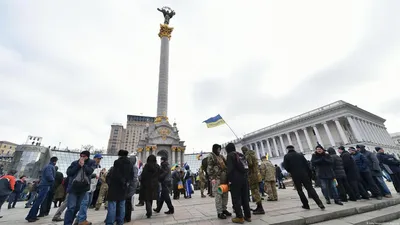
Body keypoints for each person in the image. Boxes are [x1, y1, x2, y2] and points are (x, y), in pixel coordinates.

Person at [283, 145, 324, 210]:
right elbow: (306, 164)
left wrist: (291, 171)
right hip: (304, 174)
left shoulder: (286, 156)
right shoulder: (300, 155)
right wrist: (308, 173)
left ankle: (306, 205)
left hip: (295, 175)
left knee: (300, 190)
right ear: (293, 148)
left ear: (287, 149)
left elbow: (285, 166)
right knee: (310, 188)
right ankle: (319, 203)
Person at [64, 151, 95, 225]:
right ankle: (67, 223)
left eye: (84, 156)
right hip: (73, 188)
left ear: (87, 157)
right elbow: (69, 172)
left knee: (77, 207)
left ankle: (72, 221)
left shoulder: (91, 163)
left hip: (83, 189)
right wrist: (78, 165)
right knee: (71, 207)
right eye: (81, 156)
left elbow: (90, 172)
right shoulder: (75, 163)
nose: (82, 157)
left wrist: (83, 165)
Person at [25, 157, 58, 222]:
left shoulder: (47, 166)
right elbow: (49, 176)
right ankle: (31, 216)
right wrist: (53, 180)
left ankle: (32, 215)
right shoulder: (50, 167)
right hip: (45, 185)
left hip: (44, 184)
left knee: (39, 201)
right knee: (38, 201)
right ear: (55, 161)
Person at [105, 150, 133, 225]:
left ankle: (109, 222)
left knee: (112, 206)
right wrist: (126, 182)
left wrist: (110, 182)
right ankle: (120, 222)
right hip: (124, 187)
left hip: (115, 186)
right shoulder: (130, 163)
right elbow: (132, 176)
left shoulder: (117, 162)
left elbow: (115, 174)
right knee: (122, 205)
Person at [226, 143, 251, 224]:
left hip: (236, 180)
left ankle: (239, 217)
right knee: (245, 198)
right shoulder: (240, 155)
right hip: (244, 178)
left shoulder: (230, 155)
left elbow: (229, 169)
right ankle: (248, 216)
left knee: (236, 198)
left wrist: (228, 180)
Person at [207, 144, 231, 219]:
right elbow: (209, 168)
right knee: (218, 195)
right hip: (217, 178)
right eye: (218, 149)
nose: (219, 150)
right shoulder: (211, 156)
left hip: (224, 178)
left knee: (225, 194)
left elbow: (226, 165)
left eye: (219, 149)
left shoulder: (221, 156)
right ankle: (219, 212)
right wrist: (212, 178)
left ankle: (224, 209)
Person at [241, 146, 265, 214]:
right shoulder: (253, 154)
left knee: (255, 191)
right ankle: (259, 206)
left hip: (252, 175)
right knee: (256, 190)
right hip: (257, 175)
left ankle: (260, 208)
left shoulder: (248, 155)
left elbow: (250, 164)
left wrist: (245, 163)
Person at [124, 155, 138, 223]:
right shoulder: (132, 166)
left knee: (128, 202)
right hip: (130, 186)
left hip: (130, 187)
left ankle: (127, 217)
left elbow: (133, 178)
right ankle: (126, 217)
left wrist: (128, 184)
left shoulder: (133, 167)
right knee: (127, 202)